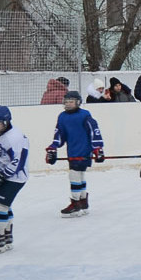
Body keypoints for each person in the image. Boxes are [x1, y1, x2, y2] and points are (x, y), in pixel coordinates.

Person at [45, 89, 105, 218]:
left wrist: (98, 148)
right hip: (72, 151)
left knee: (74, 175)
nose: (68, 104)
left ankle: (76, 203)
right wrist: (53, 148)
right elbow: (60, 134)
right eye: (66, 101)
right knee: (80, 175)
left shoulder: (85, 115)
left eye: (71, 102)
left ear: (78, 102)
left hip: (83, 151)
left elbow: (94, 131)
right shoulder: (62, 116)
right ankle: (83, 202)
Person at [0, 105, 31, 253]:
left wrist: (1, 175)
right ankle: (7, 237)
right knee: (4, 205)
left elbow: (19, 162)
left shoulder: (14, 137)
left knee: (0, 205)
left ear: (6, 122)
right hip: (3, 172)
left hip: (16, 176)